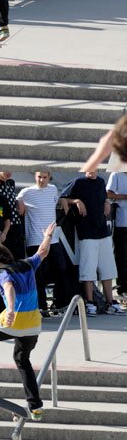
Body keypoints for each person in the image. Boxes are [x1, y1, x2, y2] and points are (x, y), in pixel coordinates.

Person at [0, 222, 56, 420]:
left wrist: (9, 308)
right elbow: (43, 251)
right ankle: (35, 406)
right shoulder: (27, 263)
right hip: (34, 325)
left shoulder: (1, 272)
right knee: (22, 359)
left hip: (15, 322)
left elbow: (8, 287)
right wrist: (48, 235)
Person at [60, 131, 125, 316]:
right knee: (87, 271)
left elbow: (105, 197)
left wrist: (105, 202)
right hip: (86, 234)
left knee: (108, 269)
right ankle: (89, 303)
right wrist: (76, 201)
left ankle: (111, 302)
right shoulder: (77, 182)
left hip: (103, 233)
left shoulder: (100, 183)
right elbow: (62, 198)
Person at [17, 169, 73, 314]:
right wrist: (19, 204)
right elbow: (17, 203)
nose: (42, 180)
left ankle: (60, 304)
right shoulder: (26, 192)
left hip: (53, 239)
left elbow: (57, 199)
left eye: (45, 177)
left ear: (49, 178)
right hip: (35, 240)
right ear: (35, 177)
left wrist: (64, 201)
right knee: (38, 275)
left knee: (61, 270)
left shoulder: (53, 189)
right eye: (39, 177)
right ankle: (41, 307)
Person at [105, 114, 127, 298]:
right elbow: (108, 193)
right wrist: (124, 197)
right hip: (122, 222)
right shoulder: (117, 174)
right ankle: (122, 287)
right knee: (122, 255)